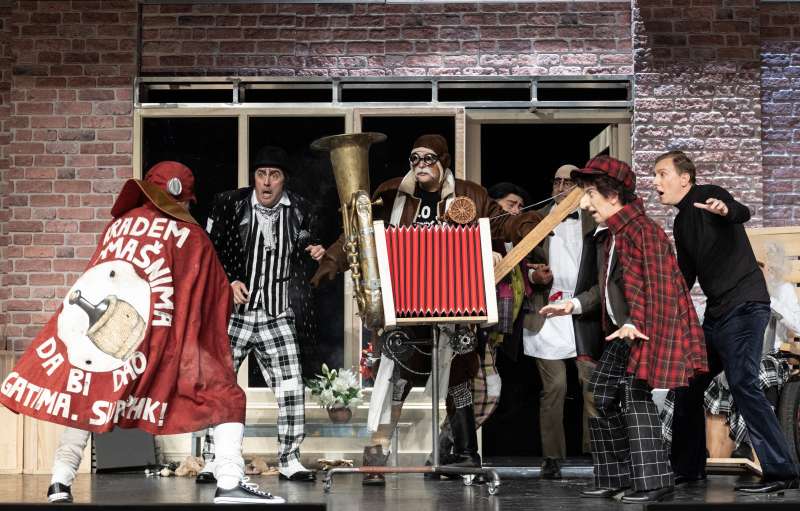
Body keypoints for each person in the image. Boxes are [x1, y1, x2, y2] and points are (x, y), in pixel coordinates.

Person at [0, 161, 282, 504]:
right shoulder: (192, 235)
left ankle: (60, 482)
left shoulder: (118, 226)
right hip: (161, 343)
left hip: (108, 341)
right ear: (184, 199)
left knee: (88, 393)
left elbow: (97, 277)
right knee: (227, 396)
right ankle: (229, 481)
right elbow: (212, 297)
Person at [311, 134, 541, 485]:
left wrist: (526, 225)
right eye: (414, 158)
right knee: (397, 378)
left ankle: (467, 454)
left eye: (427, 158)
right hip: (405, 302)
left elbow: (499, 223)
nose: (419, 164)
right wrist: (332, 259)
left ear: (444, 161)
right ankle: (377, 453)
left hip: (457, 301)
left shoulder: (471, 194)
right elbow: (359, 232)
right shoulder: (392, 193)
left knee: (460, 377)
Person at [541, 155, 707, 503]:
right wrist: (571, 305)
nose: (585, 204)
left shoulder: (641, 231)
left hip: (649, 327)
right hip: (625, 330)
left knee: (635, 395)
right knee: (601, 391)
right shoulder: (611, 235)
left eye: (590, 194)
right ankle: (618, 476)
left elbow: (656, 288)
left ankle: (653, 481)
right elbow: (605, 289)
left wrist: (636, 322)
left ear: (613, 195)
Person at [653, 150, 800, 492]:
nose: (656, 182)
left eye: (662, 173)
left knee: (743, 383)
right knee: (688, 384)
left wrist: (725, 209)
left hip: (745, 307)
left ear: (684, 178)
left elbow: (740, 211)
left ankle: (782, 471)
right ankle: (688, 469)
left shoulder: (707, 195)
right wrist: (659, 305)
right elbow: (685, 275)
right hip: (718, 315)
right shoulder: (681, 222)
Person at [202, 146, 323, 483]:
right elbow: (209, 249)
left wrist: (313, 248)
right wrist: (228, 281)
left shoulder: (299, 207)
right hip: (235, 313)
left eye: (274, 175)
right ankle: (212, 459)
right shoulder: (230, 204)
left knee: (291, 387)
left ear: (284, 180)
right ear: (254, 178)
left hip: (276, 311)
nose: (267, 182)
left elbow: (305, 239)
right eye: (261, 174)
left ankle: (289, 459)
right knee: (218, 384)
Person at [523, 164, 602, 478]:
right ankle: (552, 458)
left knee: (591, 384)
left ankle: (598, 454)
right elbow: (519, 262)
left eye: (568, 182)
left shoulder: (595, 217)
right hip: (547, 309)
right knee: (554, 386)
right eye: (556, 181)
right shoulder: (537, 219)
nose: (560, 187)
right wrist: (534, 276)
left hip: (584, 310)